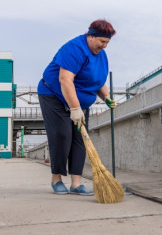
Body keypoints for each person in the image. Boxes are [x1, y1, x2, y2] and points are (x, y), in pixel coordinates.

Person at [38, 19, 117, 196]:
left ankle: (76, 184)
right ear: (90, 36)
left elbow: (97, 80)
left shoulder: (101, 55)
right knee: (62, 134)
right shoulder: (74, 48)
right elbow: (65, 80)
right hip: (53, 94)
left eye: (107, 43)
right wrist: (75, 109)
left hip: (78, 101)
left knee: (80, 139)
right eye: (102, 41)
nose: (104, 46)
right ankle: (56, 179)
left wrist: (107, 98)